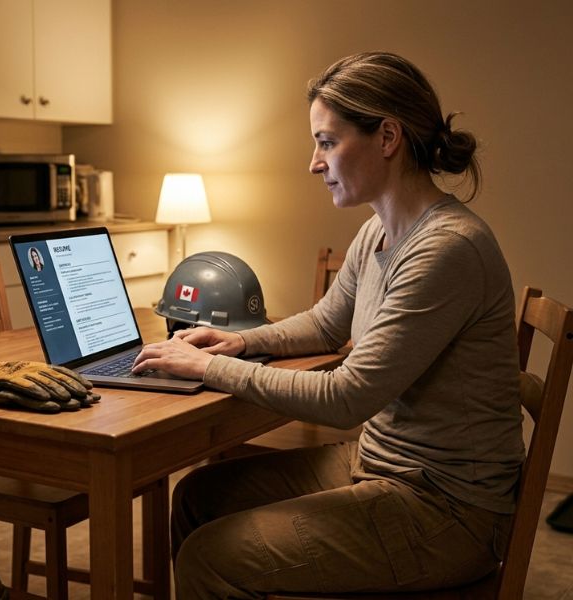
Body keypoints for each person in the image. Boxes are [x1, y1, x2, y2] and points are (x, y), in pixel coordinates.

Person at [132, 51, 525, 599]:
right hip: (381, 463)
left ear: (387, 137)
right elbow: (324, 324)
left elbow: (347, 397)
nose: (314, 162)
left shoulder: (446, 249)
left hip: (447, 509)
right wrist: (241, 340)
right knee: (197, 496)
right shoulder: (378, 231)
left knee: (211, 558)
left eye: (326, 141)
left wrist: (211, 367)